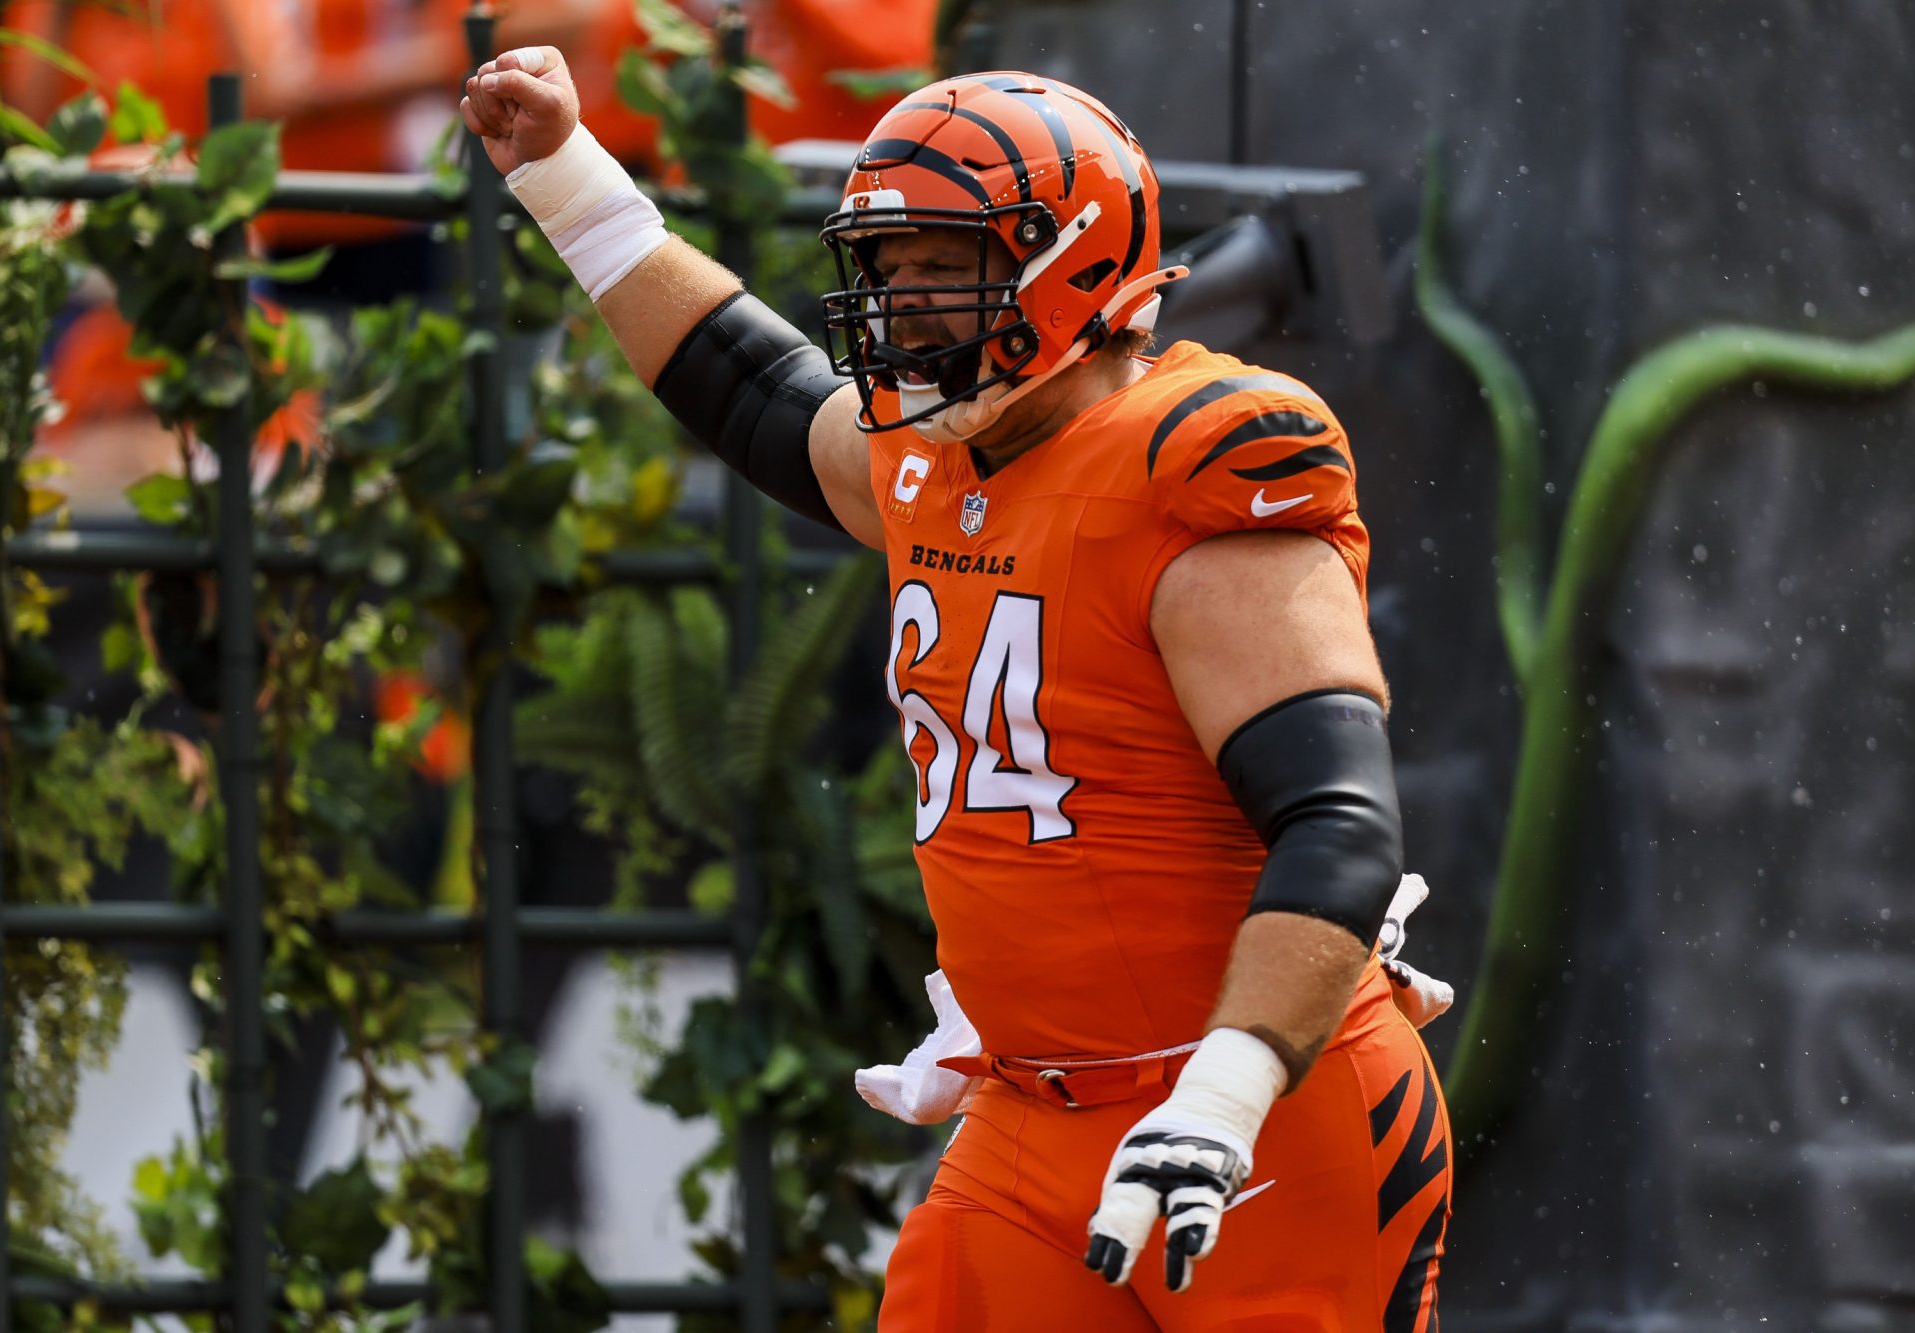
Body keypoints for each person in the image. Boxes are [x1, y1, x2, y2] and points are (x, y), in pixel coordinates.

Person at [462, 50, 1451, 1330]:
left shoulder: (1190, 465)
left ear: (1077, 258)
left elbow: (1338, 826)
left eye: (945, 263)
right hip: (1031, 1112)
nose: (903, 305)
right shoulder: (938, 464)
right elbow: (752, 386)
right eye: (889, 268)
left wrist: (1224, 1092)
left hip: (1260, 1132)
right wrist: (563, 175)